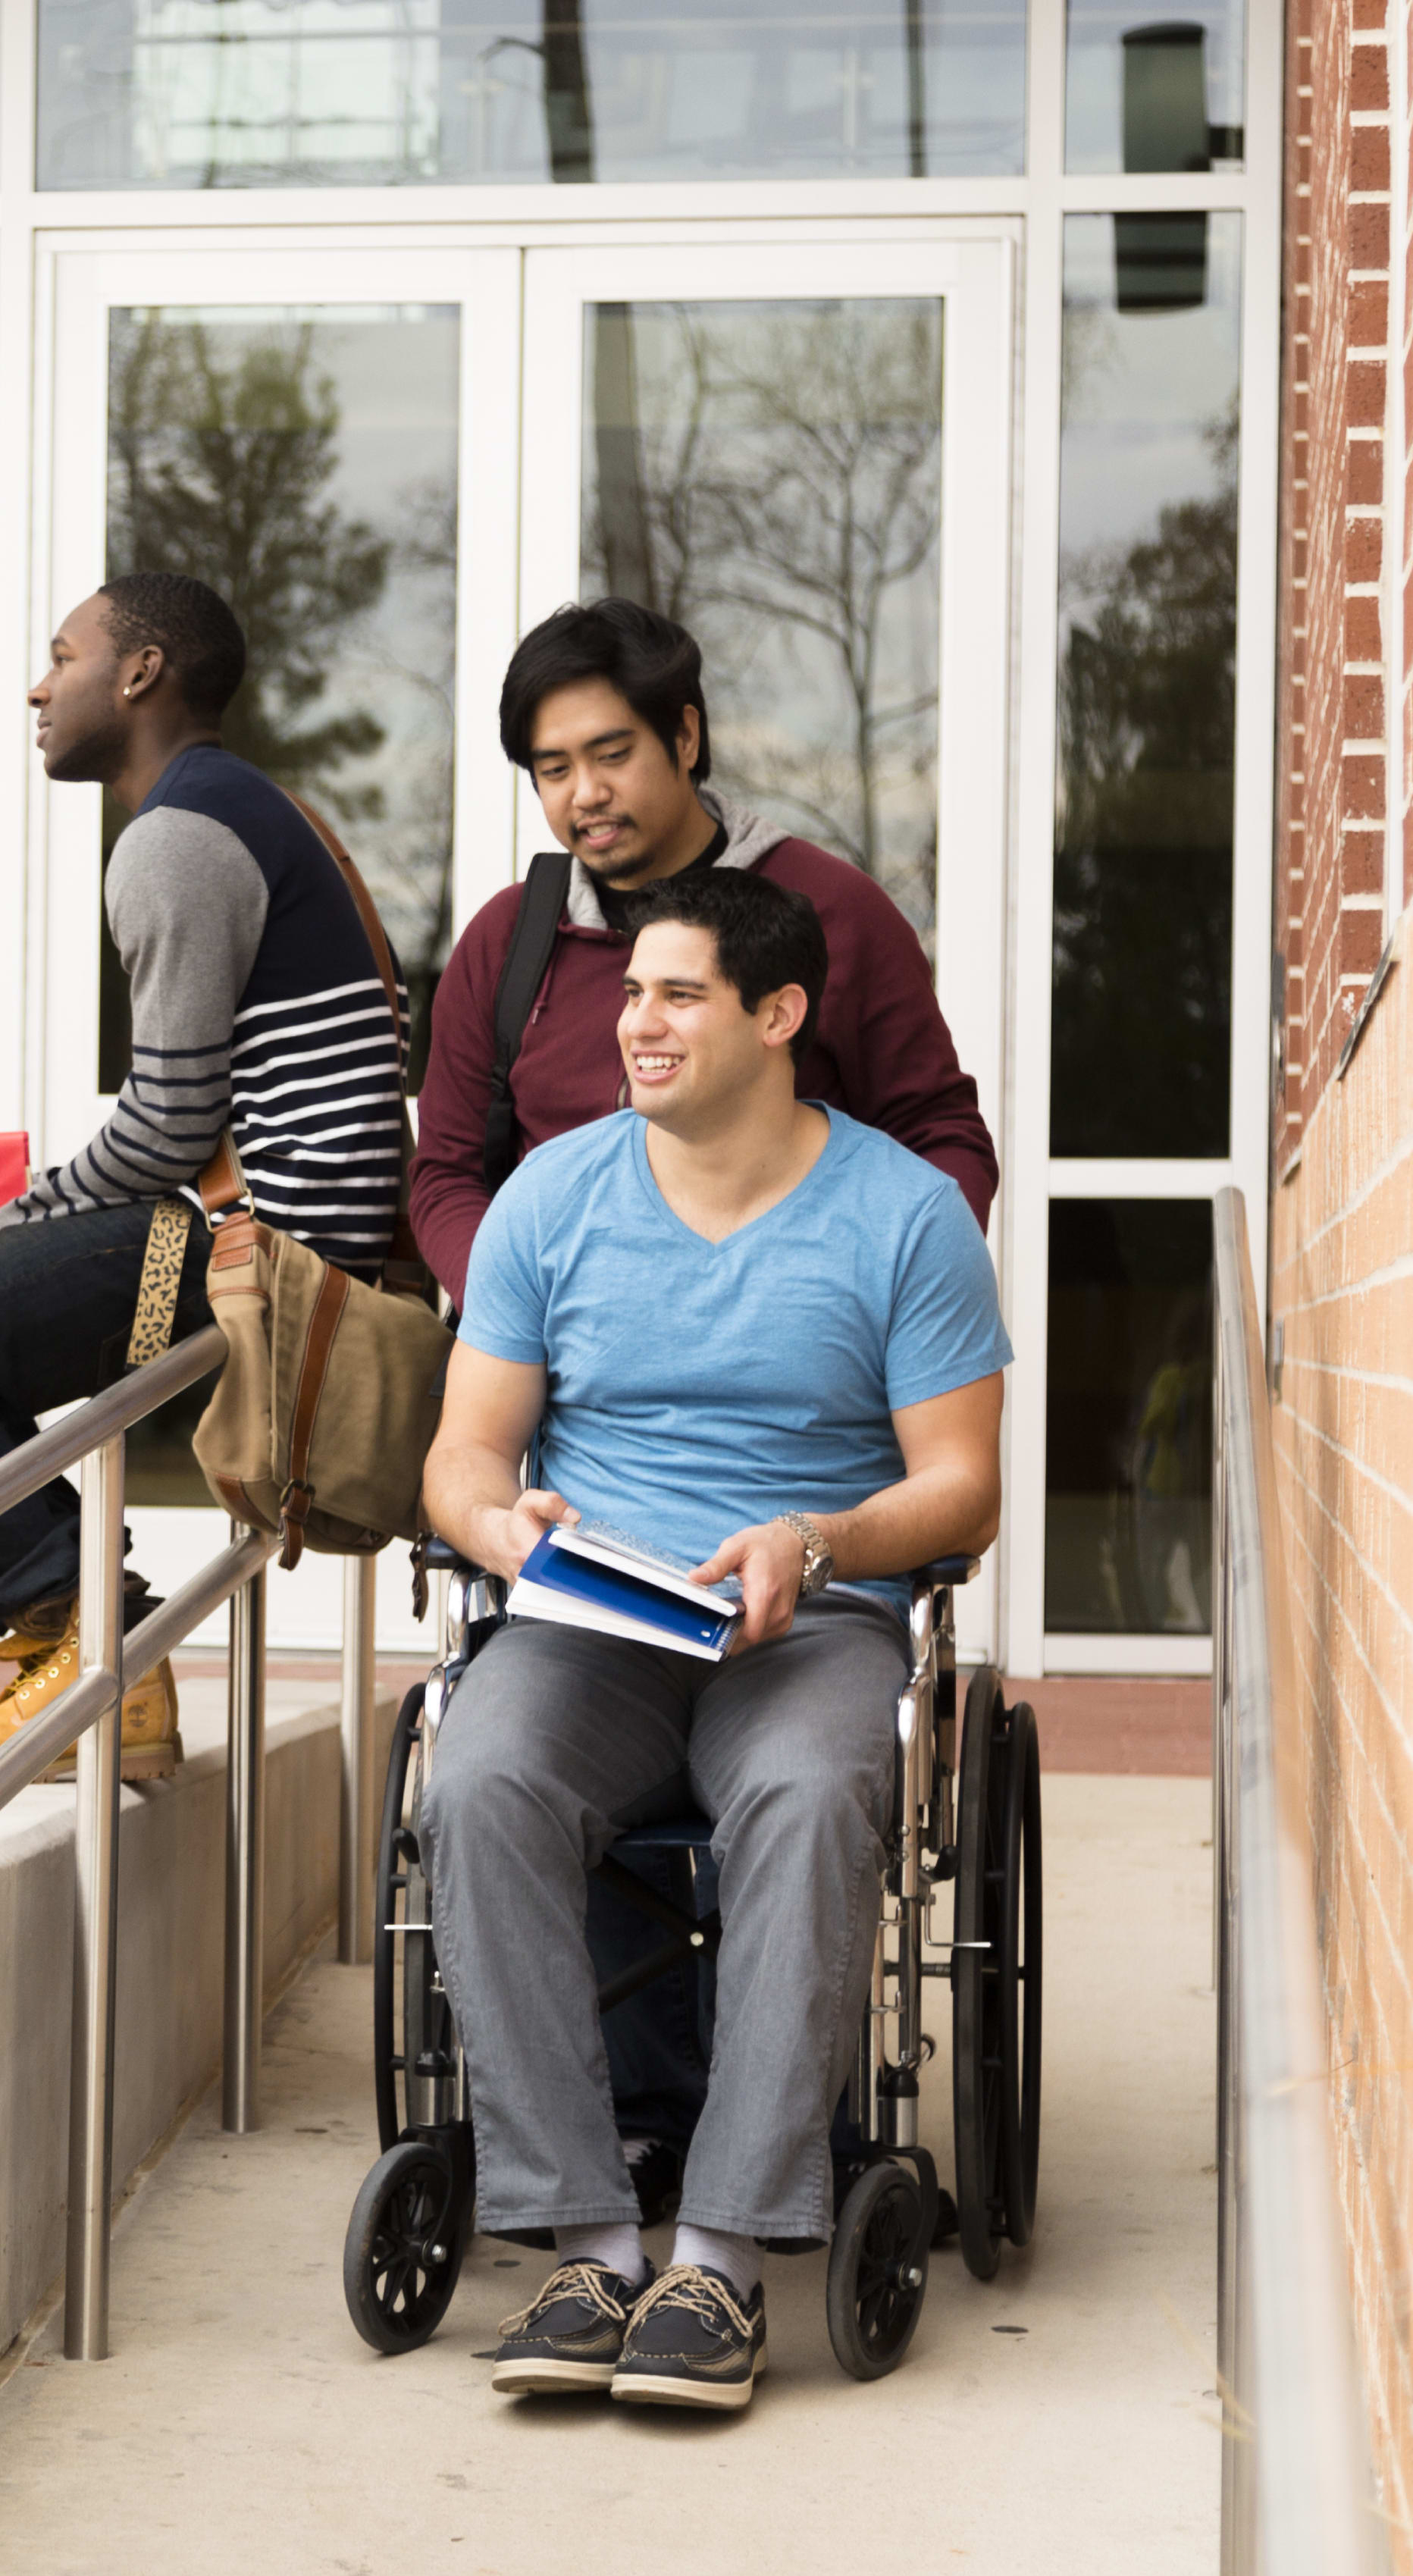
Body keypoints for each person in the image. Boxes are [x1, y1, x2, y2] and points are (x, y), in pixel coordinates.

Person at [416, 867, 1006, 2415]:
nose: (638, 1023)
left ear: (779, 1014)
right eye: (631, 995)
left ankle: (725, 2257)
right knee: (476, 1778)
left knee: (812, 1800)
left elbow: (964, 1486)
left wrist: (816, 1545)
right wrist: (501, 1528)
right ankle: (595, 2240)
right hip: (596, 1626)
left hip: (805, 1629)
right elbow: (464, 1457)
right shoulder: (555, 1194)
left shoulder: (904, 1214)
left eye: (678, 994)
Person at [0, 572, 406, 1772]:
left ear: (141, 674)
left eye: (62, 655)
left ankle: (94, 1647)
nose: (38, 686)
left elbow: (168, 1124)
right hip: (258, 1233)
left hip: (253, 1249)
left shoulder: (179, 838)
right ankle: (90, 1653)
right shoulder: (240, 810)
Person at [410, 598, 996, 1299]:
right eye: (555, 769)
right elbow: (447, 1176)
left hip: (787, 1375)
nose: (587, 794)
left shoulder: (836, 912)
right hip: (558, 1381)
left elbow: (940, 1136)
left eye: (613, 755)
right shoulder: (504, 941)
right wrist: (517, 1318)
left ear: (685, 737)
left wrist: (871, 1314)